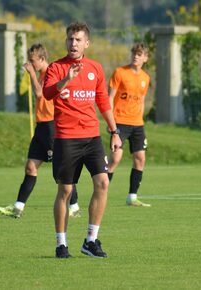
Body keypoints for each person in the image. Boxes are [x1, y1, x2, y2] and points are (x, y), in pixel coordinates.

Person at [43, 22, 121, 258]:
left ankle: (91, 240)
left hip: (92, 137)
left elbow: (103, 102)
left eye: (78, 40)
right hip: (67, 138)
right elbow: (47, 94)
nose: (73, 43)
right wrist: (66, 79)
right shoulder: (56, 68)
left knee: (103, 183)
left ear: (86, 43)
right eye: (70, 39)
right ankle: (61, 244)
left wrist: (114, 131)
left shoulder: (95, 68)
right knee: (65, 191)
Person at [0, 43, 81, 219]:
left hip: (51, 126)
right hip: (41, 127)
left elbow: (40, 93)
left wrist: (32, 74)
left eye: (32, 60)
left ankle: (74, 206)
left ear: (42, 59)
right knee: (30, 167)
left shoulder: (49, 72)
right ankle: (18, 207)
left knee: (61, 171)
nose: (30, 63)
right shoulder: (41, 72)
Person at [107, 43, 151, 207]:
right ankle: (101, 191)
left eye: (140, 54)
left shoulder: (145, 78)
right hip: (120, 122)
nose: (136, 56)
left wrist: (141, 118)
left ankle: (132, 197)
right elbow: (110, 98)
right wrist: (111, 122)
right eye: (134, 53)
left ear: (145, 58)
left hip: (137, 124)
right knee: (115, 159)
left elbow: (142, 100)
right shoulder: (120, 72)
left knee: (140, 159)